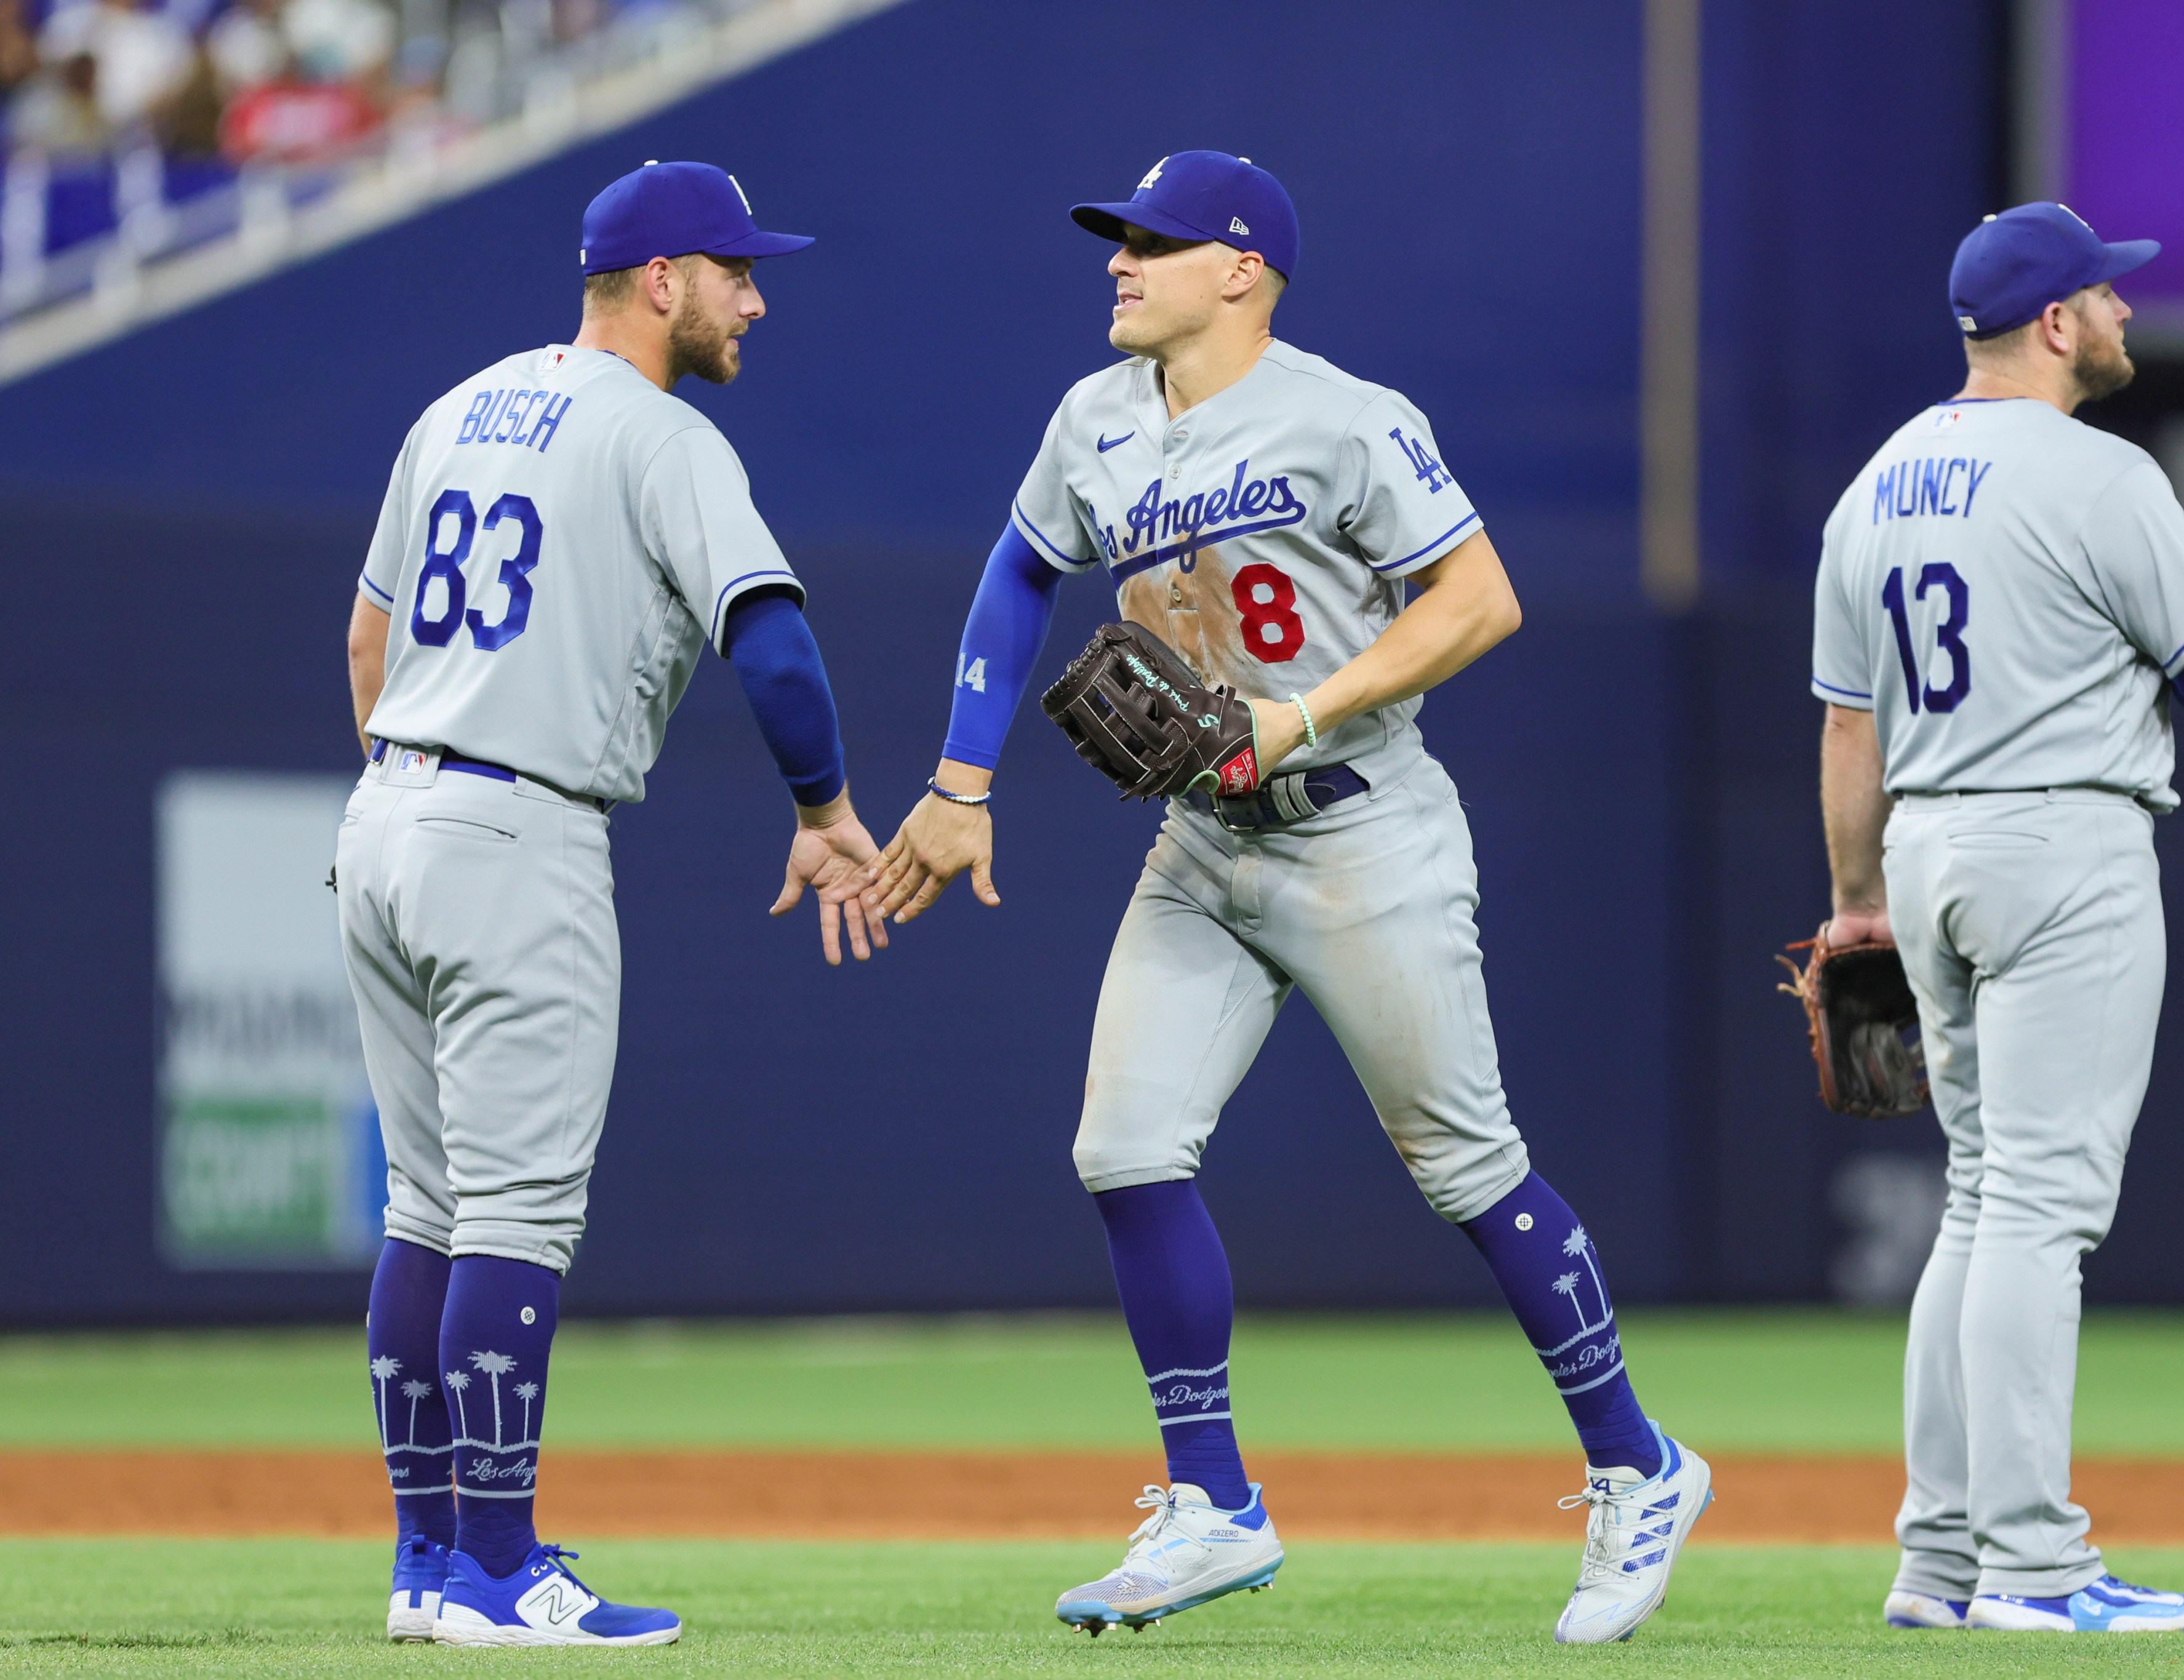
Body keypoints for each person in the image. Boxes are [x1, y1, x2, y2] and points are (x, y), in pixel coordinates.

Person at [871, 151, 1711, 1646]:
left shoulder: (1344, 416)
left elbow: (1479, 599)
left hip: (1358, 831)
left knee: (1466, 1169)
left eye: (1153, 242)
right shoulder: (1094, 419)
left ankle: (1638, 1468)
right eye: (1116, 241)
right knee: (1123, 1147)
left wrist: (1304, 713)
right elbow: (1016, 573)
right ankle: (1211, 1505)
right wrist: (959, 779)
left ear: (1241, 267)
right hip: (1200, 843)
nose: (1119, 262)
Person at [337, 159, 884, 1647]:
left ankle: (428, 1563)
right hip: (517, 831)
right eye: (735, 270)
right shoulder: (661, 430)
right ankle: (503, 1574)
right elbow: (769, 644)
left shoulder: (455, 407)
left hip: (388, 813)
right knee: (511, 1212)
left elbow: (370, 636)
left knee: (426, 1208)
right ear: (661, 281)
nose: (754, 297)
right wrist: (826, 812)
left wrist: (413, 790)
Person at [1809, 202, 2184, 1634]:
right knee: (2038, 1213)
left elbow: (1843, 727)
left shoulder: (1870, 485)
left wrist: (1853, 905)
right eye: (2106, 300)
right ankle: (2030, 1566)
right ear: (2054, 322)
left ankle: (1936, 1562)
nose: (2125, 317)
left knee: (1983, 1202)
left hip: (1925, 852)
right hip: (2058, 839)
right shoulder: (2095, 472)